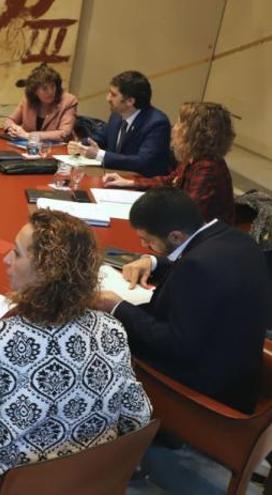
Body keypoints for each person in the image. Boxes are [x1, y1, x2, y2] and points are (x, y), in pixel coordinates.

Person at [0, 209, 151, 491]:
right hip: (88, 477)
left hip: (10, 482)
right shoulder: (112, 329)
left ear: (46, 271)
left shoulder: (1, 340)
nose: (6, 259)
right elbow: (138, 415)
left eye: (18, 253)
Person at [95, 187, 272, 413]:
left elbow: (175, 344)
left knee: (103, 338)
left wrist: (117, 306)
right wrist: (153, 262)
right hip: (239, 370)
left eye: (147, 241)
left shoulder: (197, 267)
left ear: (176, 236)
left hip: (205, 389)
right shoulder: (236, 239)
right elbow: (198, 263)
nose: (143, 247)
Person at [103, 102, 236, 224]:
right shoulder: (194, 158)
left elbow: (189, 215)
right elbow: (171, 181)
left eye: (179, 123)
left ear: (194, 133)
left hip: (203, 241)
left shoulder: (208, 168)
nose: (174, 127)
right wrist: (131, 183)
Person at [67, 71, 175, 176]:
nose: (107, 98)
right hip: (113, 178)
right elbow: (101, 137)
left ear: (130, 101)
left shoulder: (157, 123)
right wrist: (81, 145)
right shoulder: (117, 115)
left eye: (113, 95)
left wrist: (99, 154)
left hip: (139, 184)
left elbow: (143, 162)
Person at [3, 64, 78, 141]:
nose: (50, 92)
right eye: (44, 88)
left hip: (59, 150)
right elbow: (9, 120)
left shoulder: (69, 101)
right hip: (29, 149)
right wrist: (13, 129)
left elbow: (64, 133)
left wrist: (29, 135)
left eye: (52, 86)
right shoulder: (28, 100)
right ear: (35, 91)